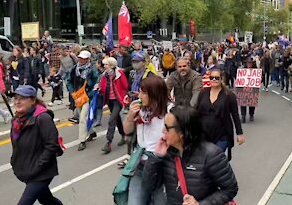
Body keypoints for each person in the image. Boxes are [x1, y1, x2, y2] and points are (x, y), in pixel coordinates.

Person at [141, 106, 238, 204]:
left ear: (182, 133)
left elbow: (230, 189)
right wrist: (155, 157)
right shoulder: (167, 153)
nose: (163, 131)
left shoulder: (212, 155)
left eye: (167, 127)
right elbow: (149, 186)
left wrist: (201, 204)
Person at [10, 85, 63, 205]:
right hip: (28, 170)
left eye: (22, 98)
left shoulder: (43, 118)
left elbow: (51, 145)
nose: (18, 101)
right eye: (16, 98)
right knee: (46, 199)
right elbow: (17, 146)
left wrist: (37, 167)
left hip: (42, 172)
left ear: (33, 100)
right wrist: (14, 162)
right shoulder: (17, 120)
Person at [123, 76, 170, 205]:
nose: (140, 95)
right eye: (140, 91)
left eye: (144, 93)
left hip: (161, 167)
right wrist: (129, 116)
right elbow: (127, 131)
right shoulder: (140, 109)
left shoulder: (170, 111)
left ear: (154, 94)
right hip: (140, 165)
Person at [197, 68, 244, 160]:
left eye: (217, 78)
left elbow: (235, 115)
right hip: (204, 134)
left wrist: (240, 133)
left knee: (215, 158)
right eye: (212, 77)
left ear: (222, 79)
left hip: (222, 135)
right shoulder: (203, 93)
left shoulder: (229, 95)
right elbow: (197, 112)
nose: (214, 80)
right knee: (204, 160)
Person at [67, 50, 99, 151]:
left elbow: (96, 82)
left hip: (87, 96)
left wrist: (91, 94)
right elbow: (69, 81)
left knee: (82, 118)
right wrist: (72, 92)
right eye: (80, 58)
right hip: (77, 97)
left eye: (83, 59)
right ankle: (92, 132)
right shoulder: (74, 69)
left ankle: (82, 141)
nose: (81, 60)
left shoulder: (92, 70)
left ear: (88, 59)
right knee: (84, 117)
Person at [99, 57, 128, 154]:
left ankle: (108, 143)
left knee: (111, 120)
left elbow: (125, 86)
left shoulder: (119, 73)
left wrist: (124, 96)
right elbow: (103, 88)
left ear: (111, 65)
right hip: (109, 100)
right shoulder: (104, 75)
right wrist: (98, 89)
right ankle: (123, 135)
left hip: (118, 100)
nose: (104, 66)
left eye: (106, 64)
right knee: (116, 118)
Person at [240, 59, 257, 123]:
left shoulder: (255, 70)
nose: (249, 64)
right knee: (243, 102)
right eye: (248, 63)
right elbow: (239, 77)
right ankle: (243, 116)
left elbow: (260, 78)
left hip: (252, 88)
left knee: (252, 102)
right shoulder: (243, 70)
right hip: (244, 88)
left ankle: (251, 115)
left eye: (250, 63)